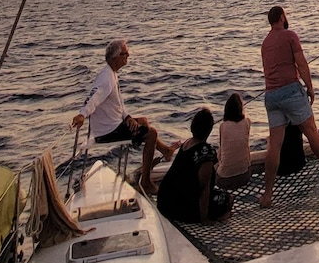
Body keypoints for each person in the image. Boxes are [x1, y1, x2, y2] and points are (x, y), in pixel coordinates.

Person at [258, 6, 319, 208]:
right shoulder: (290, 35)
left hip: (271, 95)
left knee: (274, 144)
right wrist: (310, 88)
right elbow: (302, 64)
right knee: (311, 131)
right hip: (290, 91)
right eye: (286, 15)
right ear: (280, 18)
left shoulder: (265, 43)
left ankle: (267, 195)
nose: (287, 18)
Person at [72, 38, 176, 194]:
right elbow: (94, 96)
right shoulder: (106, 78)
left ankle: (166, 151)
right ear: (115, 57)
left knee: (143, 121)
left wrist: (127, 117)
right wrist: (82, 114)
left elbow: (119, 104)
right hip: (107, 131)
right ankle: (146, 182)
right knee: (151, 133)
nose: (128, 55)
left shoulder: (112, 74)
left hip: (115, 123)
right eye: (125, 53)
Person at [154, 108, 231, 224]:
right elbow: (204, 189)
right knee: (227, 198)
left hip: (164, 202)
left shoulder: (187, 143)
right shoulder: (207, 152)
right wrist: (204, 219)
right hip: (182, 208)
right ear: (209, 130)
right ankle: (219, 215)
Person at [216, 92, 253, 191]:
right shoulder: (247, 122)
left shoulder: (223, 126)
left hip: (224, 179)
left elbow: (222, 148)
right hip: (245, 176)